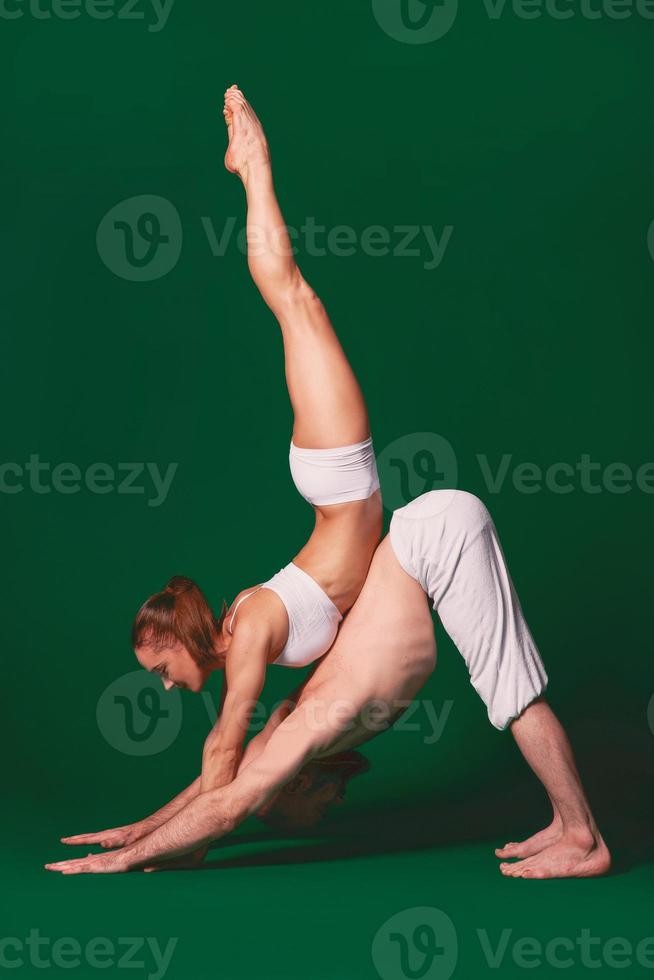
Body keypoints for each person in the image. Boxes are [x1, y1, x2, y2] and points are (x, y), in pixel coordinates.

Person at [47, 490, 611, 880]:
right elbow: (229, 775)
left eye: (161, 671)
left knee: (511, 694)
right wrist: (141, 829)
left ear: (293, 784)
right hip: (421, 536)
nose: (335, 803)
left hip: (436, 535)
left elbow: (231, 804)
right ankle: (565, 822)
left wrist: (123, 860)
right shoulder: (291, 720)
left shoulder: (305, 729)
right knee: (507, 691)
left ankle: (584, 840)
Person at [132, 85, 382, 796]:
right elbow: (240, 753)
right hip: (333, 487)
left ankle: (254, 162)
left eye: (161, 669)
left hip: (338, 481)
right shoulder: (246, 633)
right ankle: (251, 167)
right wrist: (143, 831)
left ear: (180, 639)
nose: (169, 686)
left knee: (294, 298)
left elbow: (225, 745)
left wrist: (166, 845)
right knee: (293, 304)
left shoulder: (246, 643)